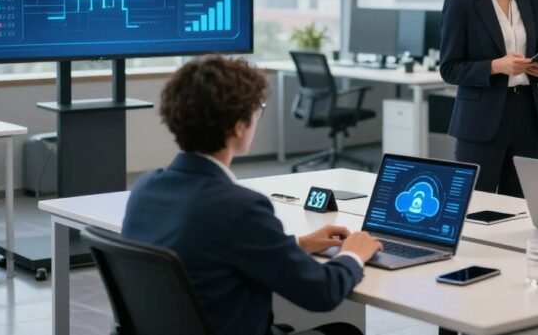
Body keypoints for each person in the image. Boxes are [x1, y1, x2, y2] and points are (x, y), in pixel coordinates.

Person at [121, 55, 382, 335]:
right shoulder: (238, 207)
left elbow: (207, 247)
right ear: (239, 126)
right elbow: (322, 293)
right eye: (258, 110)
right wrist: (354, 255)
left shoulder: (146, 188)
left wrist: (298, 244)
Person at [440, 0, 538, 197]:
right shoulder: (461, 1)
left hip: (526, 115)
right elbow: (450, 68)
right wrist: (495, 66)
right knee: (475, 203)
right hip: (481, 118)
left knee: (520, 205)